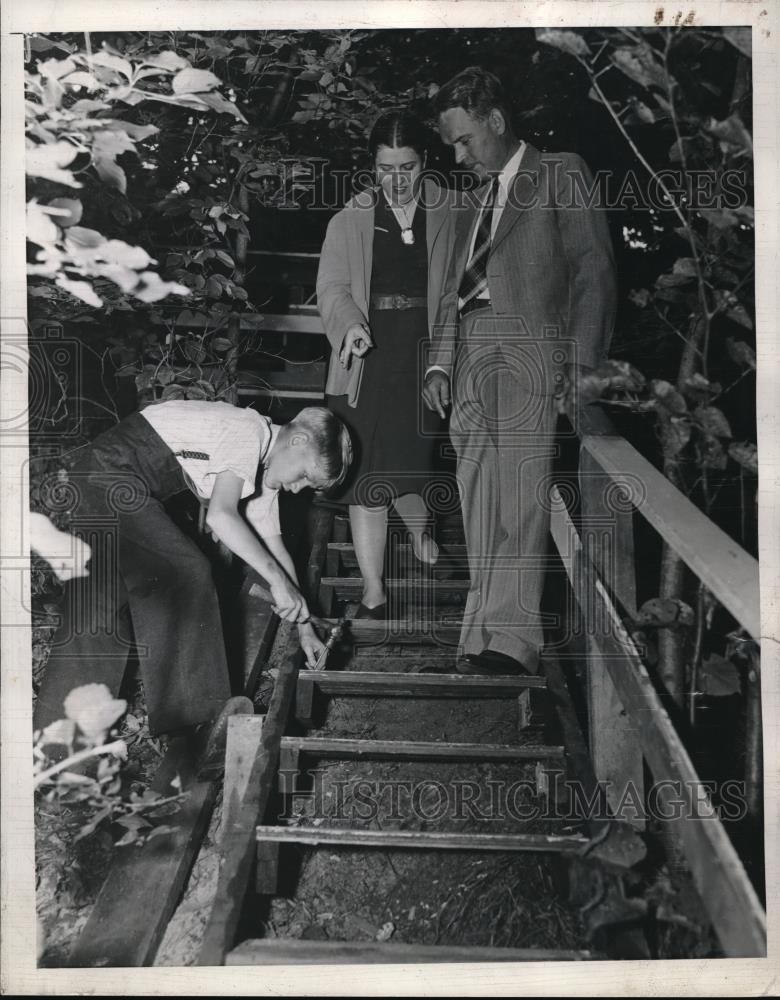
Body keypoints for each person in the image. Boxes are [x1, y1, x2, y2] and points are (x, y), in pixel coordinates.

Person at [423, 67, 617, 675]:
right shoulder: (472, 201)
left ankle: (513, 638)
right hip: (473, 353)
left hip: (532, 349)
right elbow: (456, 291)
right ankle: (478, 632)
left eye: (464, 140)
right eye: (451, 144)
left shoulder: (561, 171)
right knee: (478, 495)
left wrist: (582, 364)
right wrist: (440, 362)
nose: (458, 155)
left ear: (496, 122)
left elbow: (594, 270)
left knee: (522, 494)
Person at [33, 400, 353, 753]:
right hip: (111, 474)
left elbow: (277, 553)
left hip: (98, 478)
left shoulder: (261, 470)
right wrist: (276, 582)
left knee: (99, 615)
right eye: (305, 476)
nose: (298, 489)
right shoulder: (250, 431)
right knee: (185, 573)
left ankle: (56, 749)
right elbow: (221, 516)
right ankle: (196, 726)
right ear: (298, 441)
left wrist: (305, 625)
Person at [317, 110, 457, 619]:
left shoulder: (455, 214)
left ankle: (421, 536)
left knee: (412, 467)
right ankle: (374, 588)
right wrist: (350, 324)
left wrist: (443, 360)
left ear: (427, 162)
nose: (396, 181)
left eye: (408, 167)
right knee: (365, 475)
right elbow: (331, 287)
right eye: (385, 168)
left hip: (424, 355)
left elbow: (461, 296)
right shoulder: (348, 219)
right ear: (371, 165)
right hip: (363, 361)